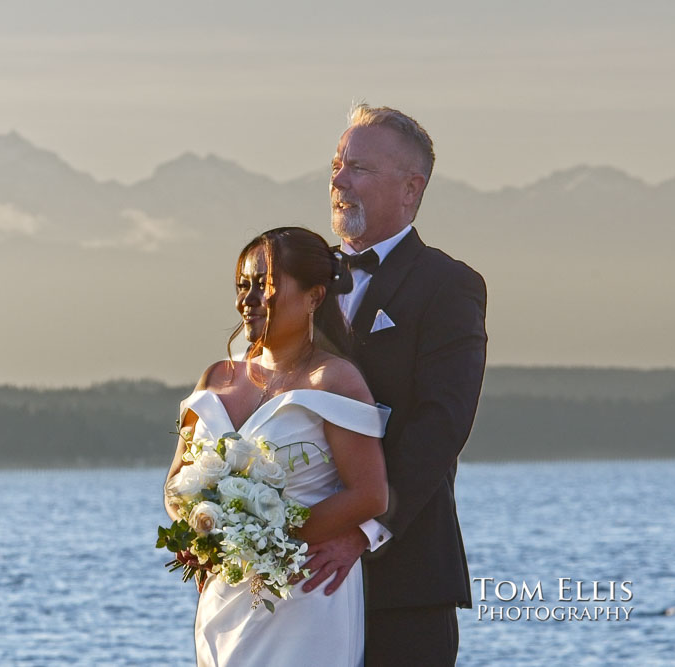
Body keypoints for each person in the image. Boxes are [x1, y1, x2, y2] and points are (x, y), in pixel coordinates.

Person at [299, 103, 488, 665]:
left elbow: (441, 425)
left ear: (411, 188)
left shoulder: (448, 285)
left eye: (357, 168)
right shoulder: (299, 279)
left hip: (405, 582)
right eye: (337, 164)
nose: (337, 180)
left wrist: (363, 532)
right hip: (300, 584)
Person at [164, 227, 391, 666]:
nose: (248, 299)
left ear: (314, 297)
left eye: (264, 285)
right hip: (226, 596)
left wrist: (269, 538)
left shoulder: (335, 380)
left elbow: (370, 494)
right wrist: (203, 531)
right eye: (242, 286)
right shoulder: (216, 377)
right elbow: (176, 484)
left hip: (305, 593)